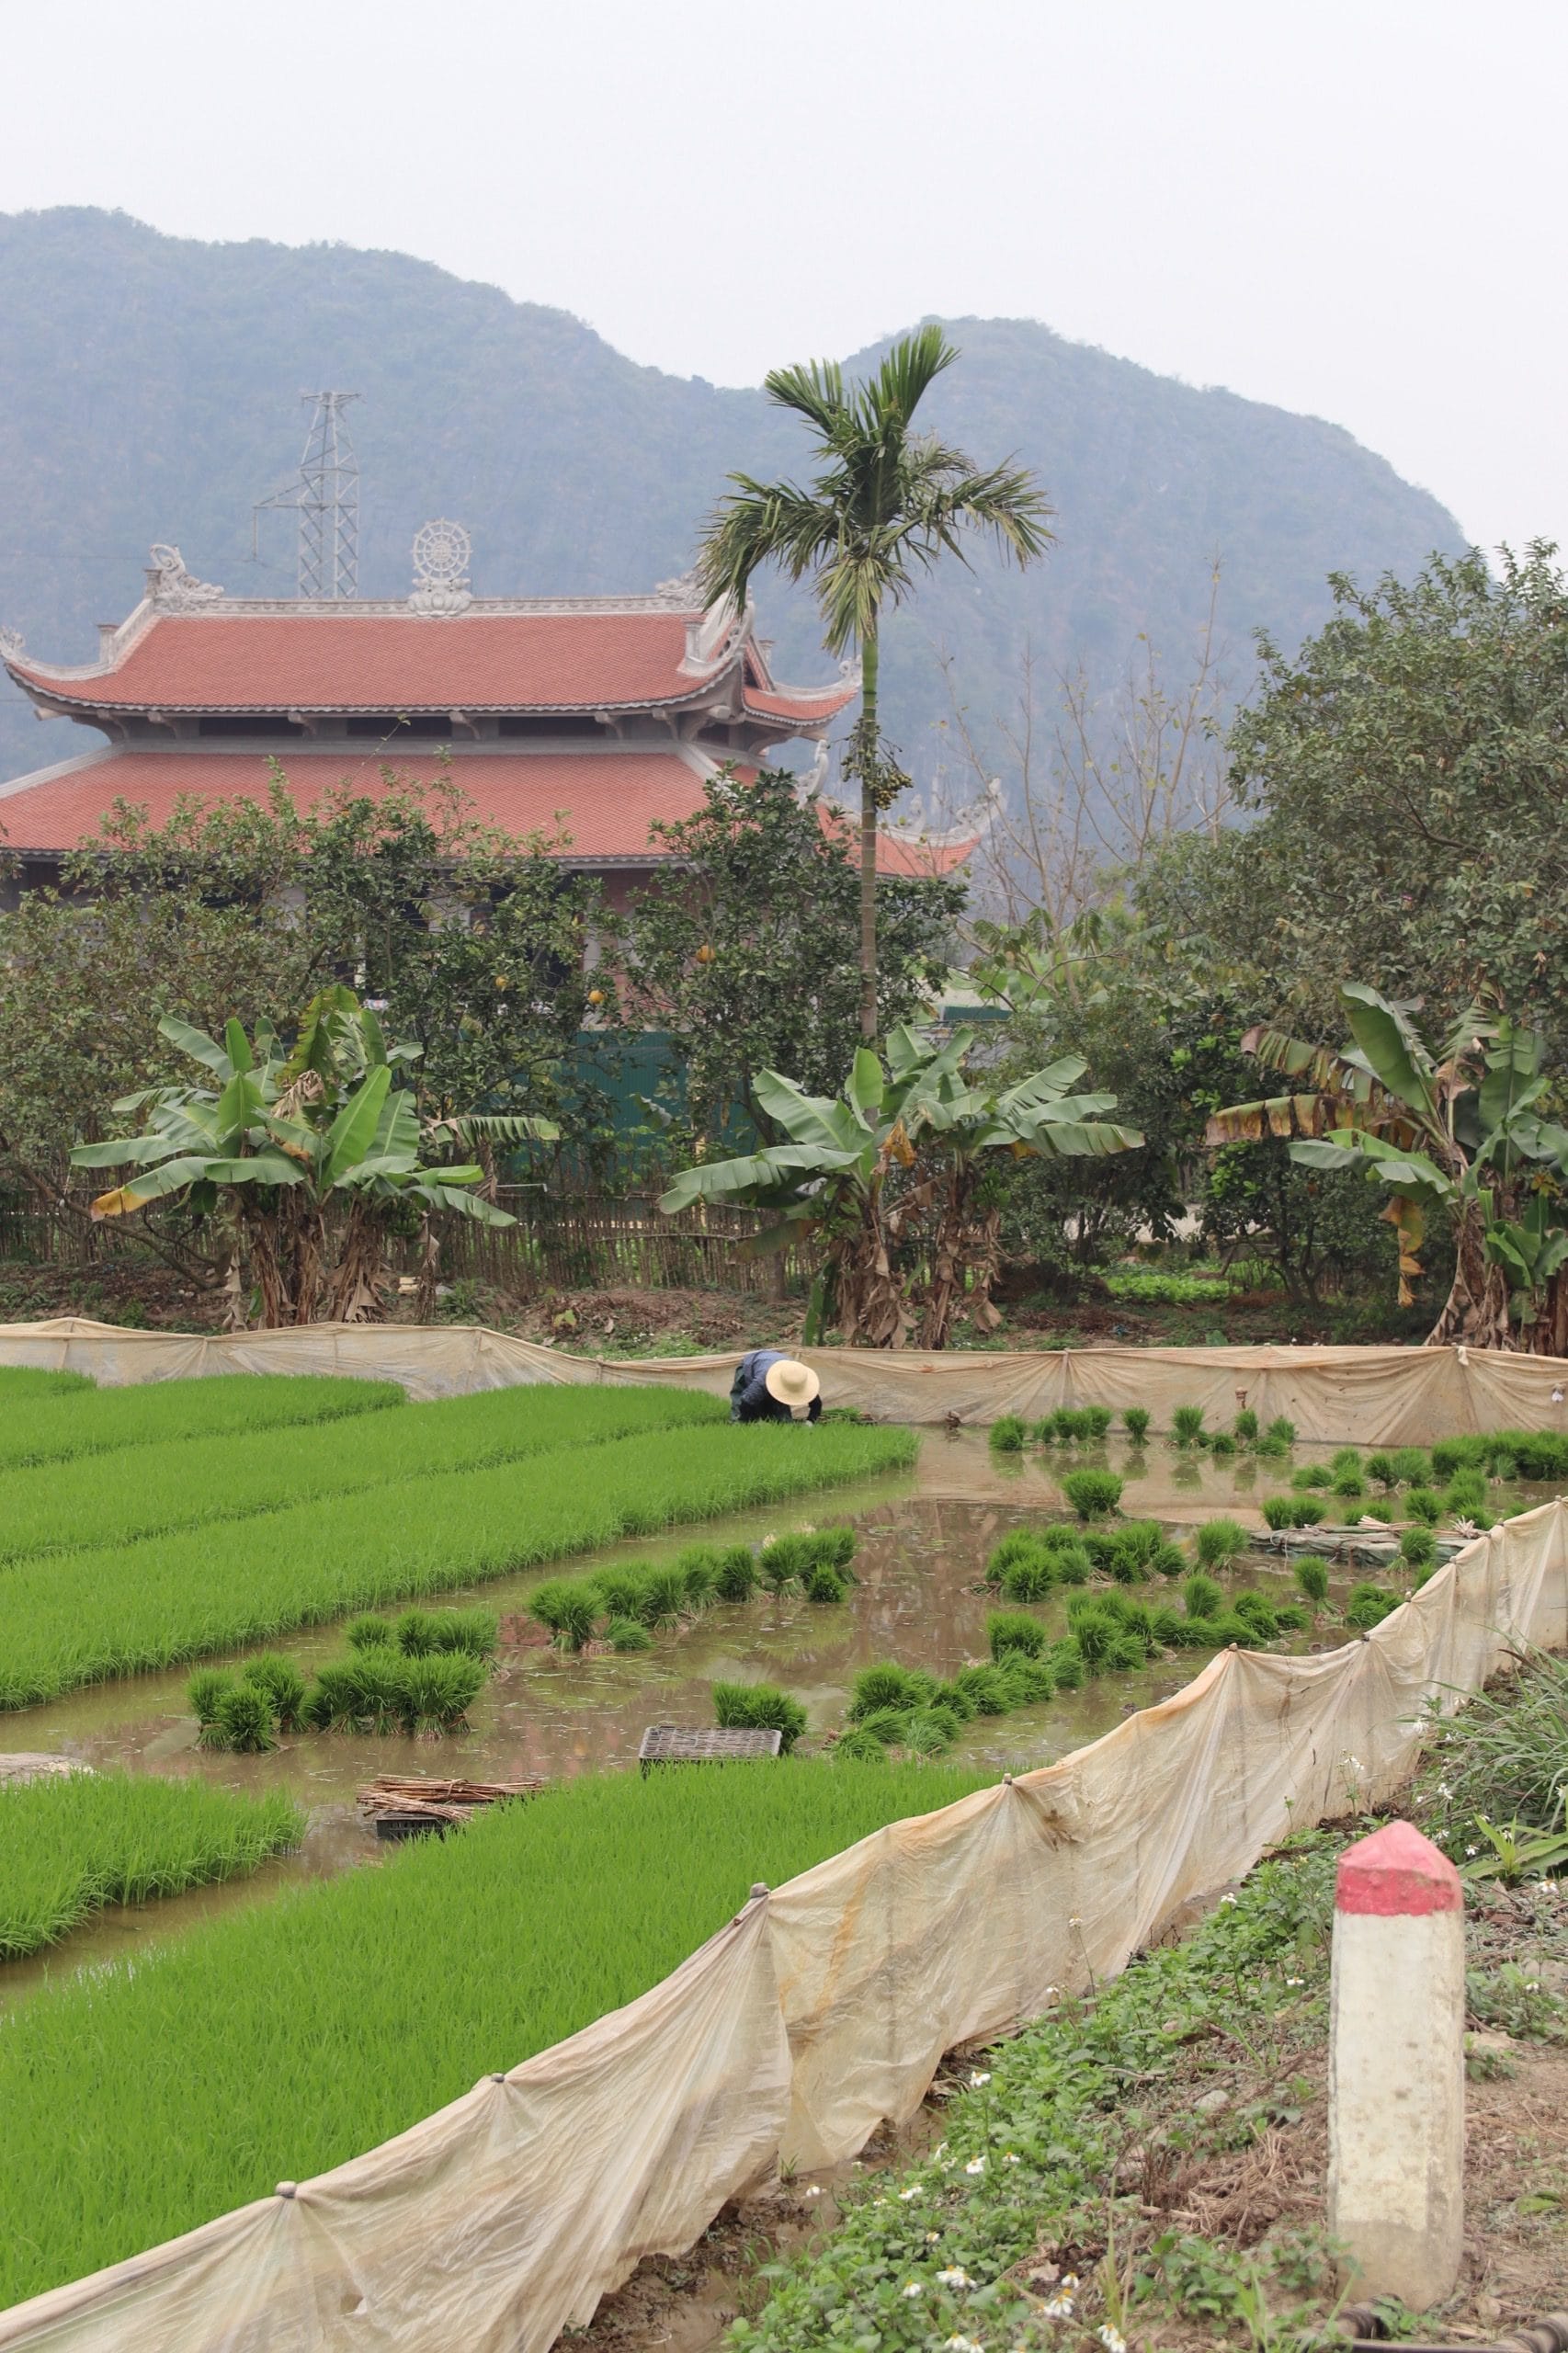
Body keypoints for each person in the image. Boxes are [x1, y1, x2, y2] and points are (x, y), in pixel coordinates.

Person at [729, 1350, 822, 1424]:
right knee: (740, 1417)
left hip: (775, 1364)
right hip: (752, 1364)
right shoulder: (762, 1381)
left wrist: (810, 1422)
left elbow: (817, 1404)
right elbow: (746, 1401)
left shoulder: (800, 1378)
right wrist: (749, 1422)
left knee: (785, 1423)